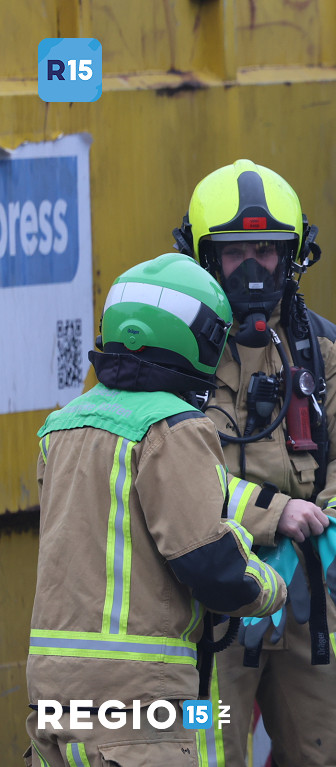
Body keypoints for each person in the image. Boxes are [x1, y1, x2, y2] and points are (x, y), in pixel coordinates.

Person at [25, 253, 287, 766]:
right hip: (136, 706)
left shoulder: (62, 427)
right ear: (199, 343)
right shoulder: (174, 428)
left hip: (54, 698)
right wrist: (271, 586)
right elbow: (210, 564)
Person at [173, 159, 336, 766]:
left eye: (267, 251)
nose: (252, 268)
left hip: (307, 607)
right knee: (203, 753)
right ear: (202, 257)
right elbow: (166, 480)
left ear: (292, 256)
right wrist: (275, 519)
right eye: (234, 252)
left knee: (335, 752)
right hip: (207, 607)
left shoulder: (322, 351)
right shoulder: (173, 354)